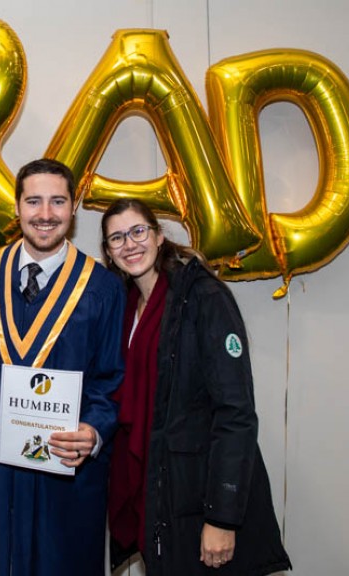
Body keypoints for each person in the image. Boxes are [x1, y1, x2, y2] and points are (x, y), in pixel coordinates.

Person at [101, 198, 292, 575]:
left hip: (198, 498)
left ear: (158, 236)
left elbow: (236, 413)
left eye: (138, 231)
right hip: (155, 491)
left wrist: (222, 518)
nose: (130, 244)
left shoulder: (204, 297)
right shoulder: (125, 306)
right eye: (117, 238)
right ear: (108, 252)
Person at [0, 158, 126, 576]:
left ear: (73, 207)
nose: (45, 215)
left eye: (57, 201)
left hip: (65, 467)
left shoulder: (102, 287)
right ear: (17, 207)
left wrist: (94, 431)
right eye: (34, 201)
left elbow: (111, 378)